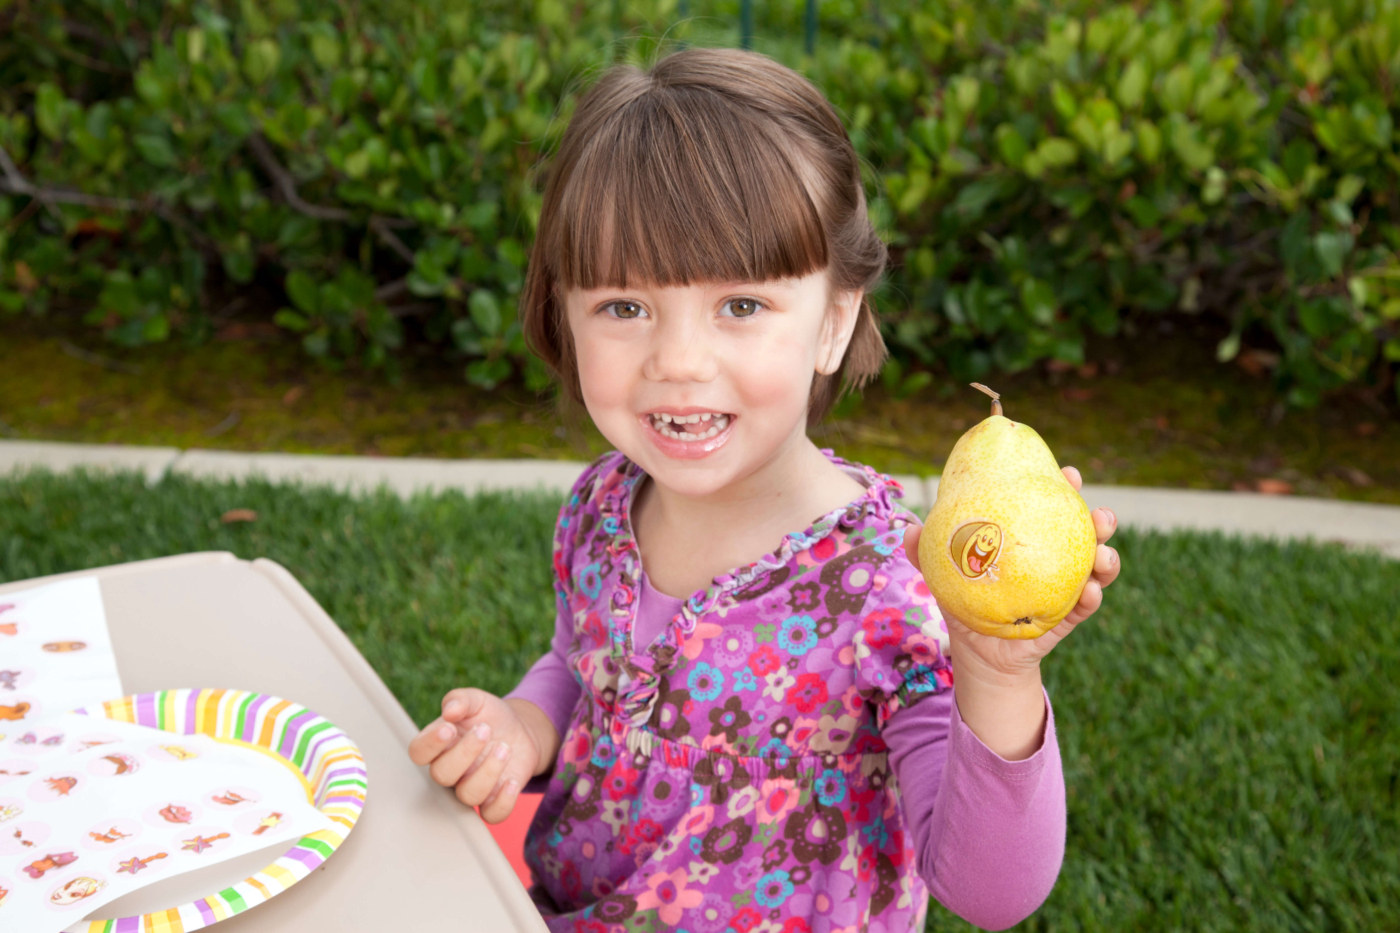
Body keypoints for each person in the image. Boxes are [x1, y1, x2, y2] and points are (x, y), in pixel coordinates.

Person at [408, 47, 1121, 932]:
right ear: (564, 310)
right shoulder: (601, 507)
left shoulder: (886, 582)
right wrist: (524, 727)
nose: (677, 360)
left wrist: (998, 674)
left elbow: (991, 891)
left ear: (833, 321)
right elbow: (575, 665)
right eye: (624, 306)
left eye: (740, 305)